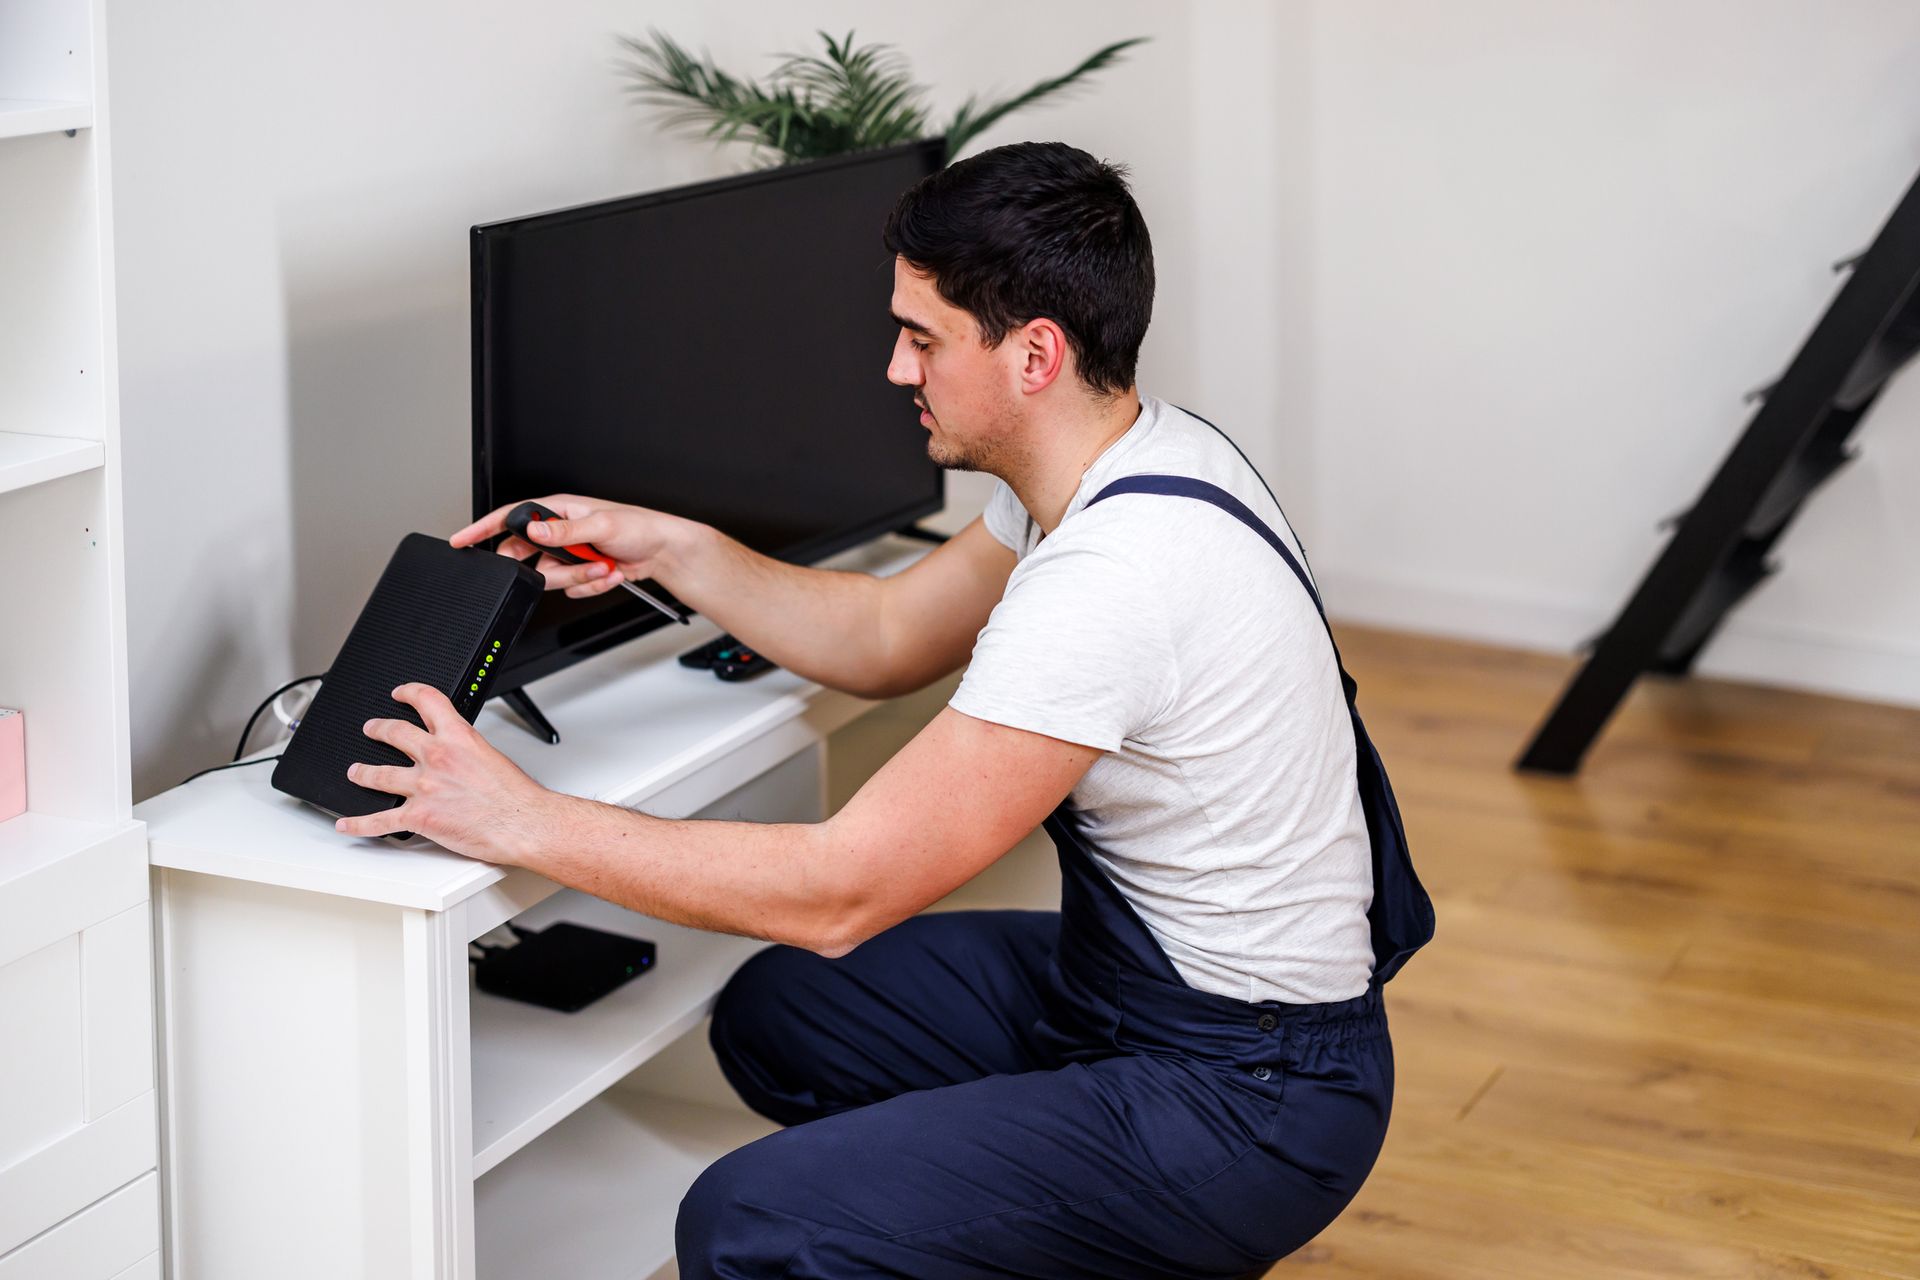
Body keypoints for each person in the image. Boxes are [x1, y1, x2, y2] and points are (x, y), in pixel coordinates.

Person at [338, 140, 1432, 1278]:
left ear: (1035, 355)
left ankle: (1104, 1216)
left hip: (1249, 1095)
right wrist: (666, 544)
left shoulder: (1117, 576)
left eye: (924, 336)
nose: (896, 368)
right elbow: (882, 636)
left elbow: (840, 890)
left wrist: (521, 817)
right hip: (1143, 1000)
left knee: (753, 1222)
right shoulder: (1131, 457)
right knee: (785, 1014)